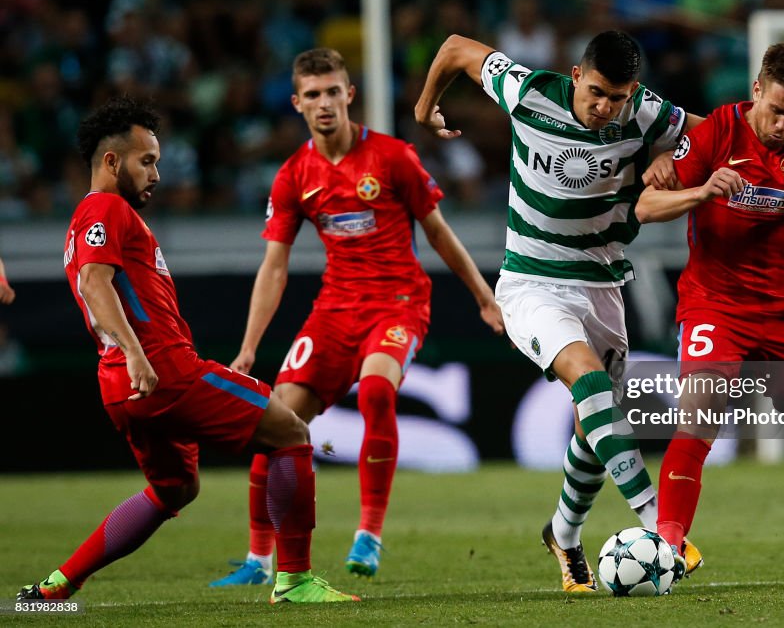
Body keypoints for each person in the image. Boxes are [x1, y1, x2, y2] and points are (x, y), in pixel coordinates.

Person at [18, 96, 358, 604]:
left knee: (175, 489)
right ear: (112, 162)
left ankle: (56, 585)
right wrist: (136, 352)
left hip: (119, 386)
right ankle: (295, 580)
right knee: (290, 431)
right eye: (147, 161)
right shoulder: (105, 207)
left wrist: (128, 358)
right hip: (162, 368)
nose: (157, 173)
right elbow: (94, 282)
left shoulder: (92, 219)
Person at [415, 30, 704, 592]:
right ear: (576, 75)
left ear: (633, 92)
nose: (604, 108)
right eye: (596, 92)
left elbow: (712, 134)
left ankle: (564, 536)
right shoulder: (527, 92)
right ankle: (660, 528)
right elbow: (452, 47)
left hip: (602, 283)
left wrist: (675, 154)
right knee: (589, 384)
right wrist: (426, 108)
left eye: (617, 98)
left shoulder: (645, 113)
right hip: (531, 283)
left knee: (592, 425)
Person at [210, 48, 504, 586]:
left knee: (375, 392)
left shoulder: (393, 158)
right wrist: (250, 346)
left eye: (332, 91)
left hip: (398, 303)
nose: (324, 103)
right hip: (334, 311)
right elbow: (273, 267)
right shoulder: (294, 175)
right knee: (273, 423)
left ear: (350, 94)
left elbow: (438, 232)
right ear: (297, 103)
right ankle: (258, 560)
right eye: (313, 95)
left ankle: (368, 533)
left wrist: (485, 297)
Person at [635, 42, 784, 583]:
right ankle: (667, 547)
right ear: (757, 90)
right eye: (777, 110)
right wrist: (699, 190)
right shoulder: (716, 132)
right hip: (714, 305)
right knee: (697, 421)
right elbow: (645, 208)